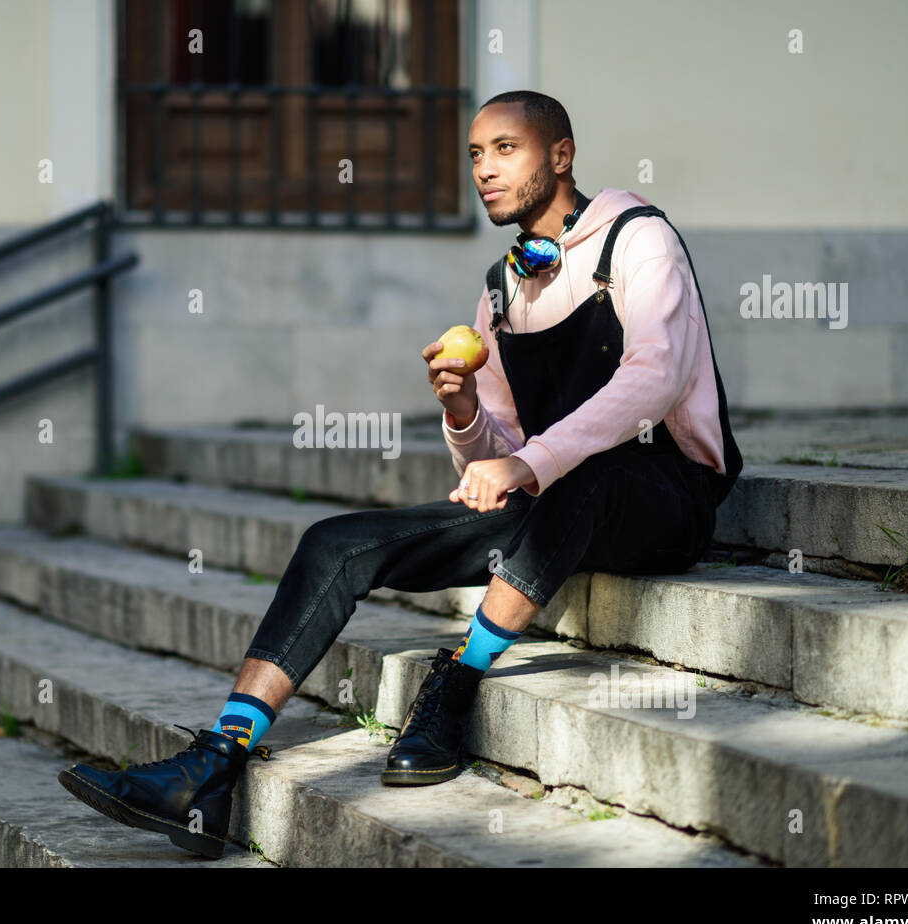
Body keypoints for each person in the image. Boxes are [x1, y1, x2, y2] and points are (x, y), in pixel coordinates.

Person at [58, 89, 743, 860]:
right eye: (476, 154)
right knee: (335, 540)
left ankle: (456, 682)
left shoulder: (639, 239)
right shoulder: (501, 290)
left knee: (577, 479)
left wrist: (527, 461)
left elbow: (654, 377)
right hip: (555, 500)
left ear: (562, 155)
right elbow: (498, 451)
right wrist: (461, 414)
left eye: (505, 149)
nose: (484, 169)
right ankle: (216, 762)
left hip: (667, 494)